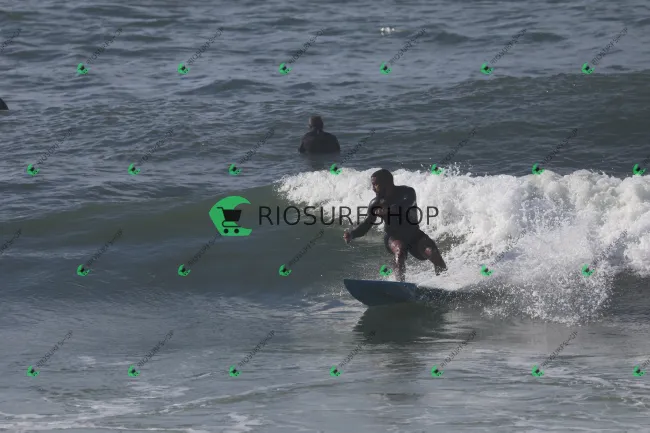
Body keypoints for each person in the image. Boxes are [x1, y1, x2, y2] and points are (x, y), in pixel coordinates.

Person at [343, 169, 447, 282]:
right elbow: (366, 225)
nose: (373, 188)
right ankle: (400, 285)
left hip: (414, 235)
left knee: (433, 253)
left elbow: (408, 203)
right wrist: (352, 234)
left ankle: (443, 283)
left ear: (386, 183)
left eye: (376, 185)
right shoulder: (375, 203)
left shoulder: (407, 192)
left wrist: (388, 209)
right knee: (399, 250)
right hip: (393, 237)